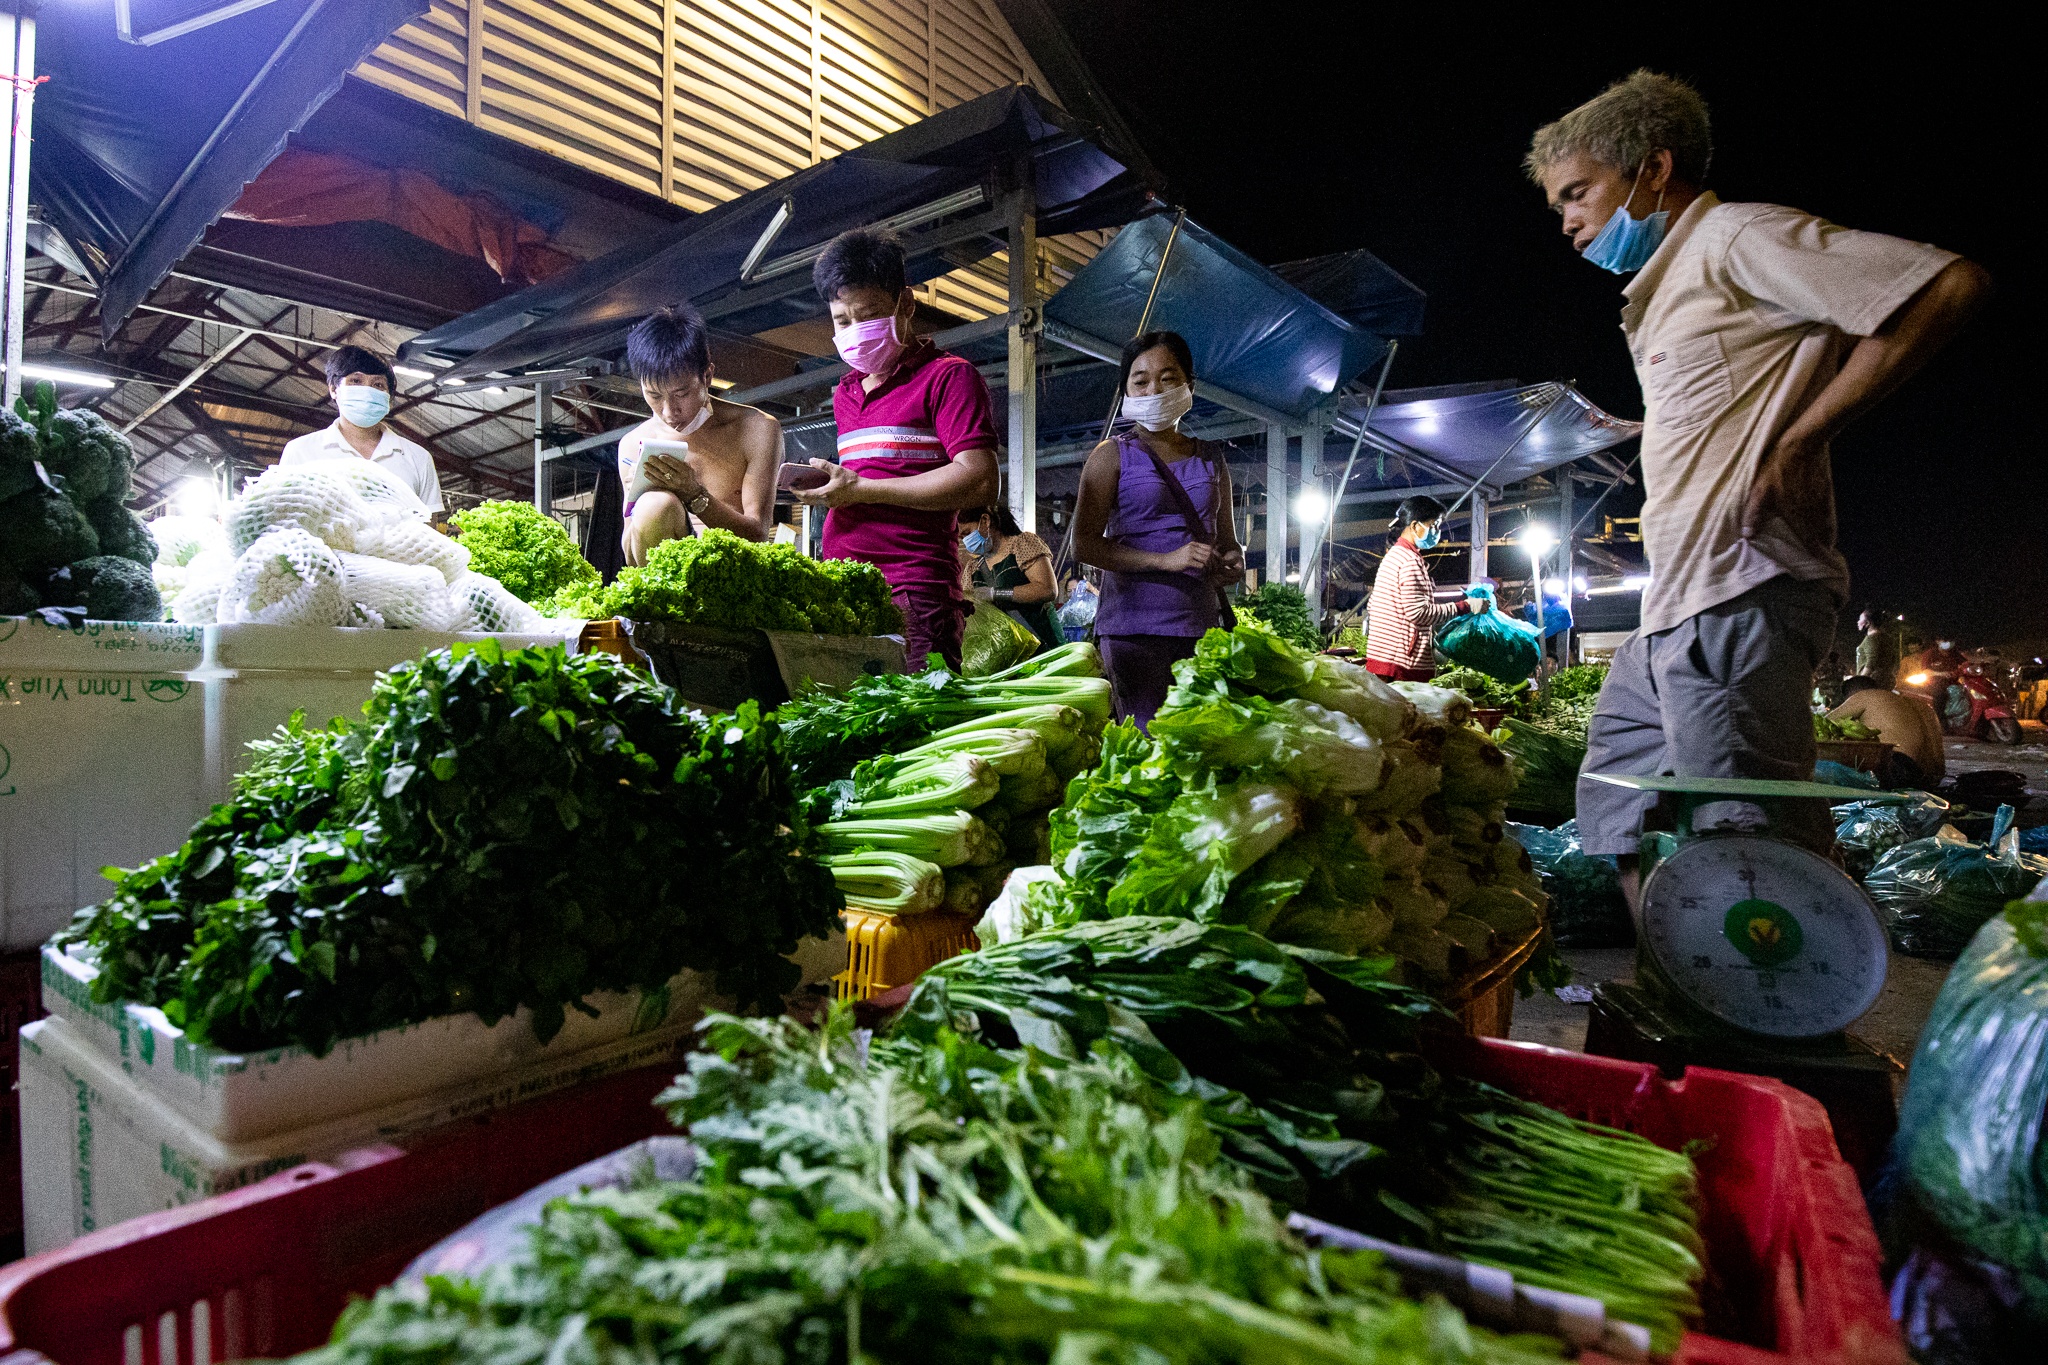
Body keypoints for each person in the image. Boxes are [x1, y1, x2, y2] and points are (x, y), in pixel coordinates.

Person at [1528, 70, 1988, 896]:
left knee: (1748, 835)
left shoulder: (1735, 240)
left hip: (1742, 590)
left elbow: (1946, 286)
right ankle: (1674, 966)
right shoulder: (1664, 291)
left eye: (1577, 192)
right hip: (1674, 607)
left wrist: (1806, 436)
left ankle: (1779, 976)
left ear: (1653, 169)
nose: (1565, 219)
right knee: (1615, 805)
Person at [793, 229, 999, 670]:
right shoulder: (846, 392)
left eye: (868, 315)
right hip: (843, 589)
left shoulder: (949, 377)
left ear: (906, 303)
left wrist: (863, 490)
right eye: (841, 321)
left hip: (913, 593)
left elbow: (980, 480)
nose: (854, 331)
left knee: (917, 710)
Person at [1072, 330, 1245, 728]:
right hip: (1133, 632)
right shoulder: (1110, 456)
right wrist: (1166, 560)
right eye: (1141, 380)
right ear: (1126, 391)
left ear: (1189, 385)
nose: (1153, 390)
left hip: (1201, 628)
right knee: (1148, 741)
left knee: (1199, 739)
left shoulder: (1211, 458)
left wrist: (1233, 561)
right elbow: (1084, 545)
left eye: (1168, 379)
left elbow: (1228, 541)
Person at [615, 305, 780, 565]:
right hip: (668, 582)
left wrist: (693, 493)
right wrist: (636, 506)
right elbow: (631, 558)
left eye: (681, 394)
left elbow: (758, 535)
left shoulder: (756, 429)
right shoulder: (632, 444)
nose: (669, 412)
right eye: (654, 396)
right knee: (654, 506)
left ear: (707, 376)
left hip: (733, 570)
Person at [279, 345, 443, 512]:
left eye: (378, 384)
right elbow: (282, 516)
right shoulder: (300, 451)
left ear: (389, 397)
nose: (367, 391)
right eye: (356, 381)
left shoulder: (418, 458)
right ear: (334, 389)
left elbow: (429, 525)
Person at [1364, 495, 1482, 682]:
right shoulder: (1409, 561)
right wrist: (1466, 606)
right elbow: (1419, 613)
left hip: (1385, 660)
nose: (1437, 532)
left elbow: (1373, 605)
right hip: (1401, 666)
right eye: (1434, 525)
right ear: (1414, 526)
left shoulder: (1394, 556)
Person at [958, 503, 1061, 650]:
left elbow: (1047, 590)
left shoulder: (1022, 544)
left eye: (967, 533)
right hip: (1007, 652)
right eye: (962, 537)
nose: (966, 541)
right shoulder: (973, 568)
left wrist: (995, 593)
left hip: (1044, 646)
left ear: (986, 520)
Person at [1831, 675, 1945, 788]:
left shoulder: (1864, 696)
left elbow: (1824, 723)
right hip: (1930, 778)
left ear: (1851, 696)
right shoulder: (1923, 706)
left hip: (1898, 768)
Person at [1854, 607, 1899, 683]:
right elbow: (1893, 659)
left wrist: (1860, 681)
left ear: (1868, 623)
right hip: (1885, 680)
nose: (1857, 622)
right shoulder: (1886, 638)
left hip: (1870, 682)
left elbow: (1871, 662)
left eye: (1860, 619)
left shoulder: (1872, 638)